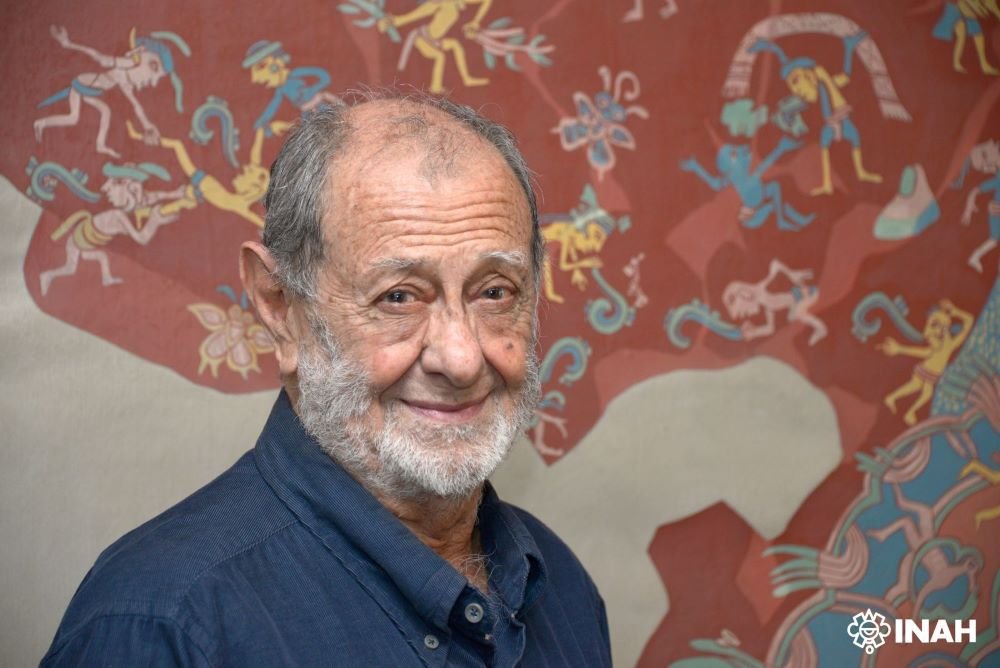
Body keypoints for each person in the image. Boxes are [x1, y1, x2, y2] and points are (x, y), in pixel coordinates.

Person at [41, 90, 612, 666]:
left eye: (494, 291)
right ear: (279, 305)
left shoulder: (562, 587)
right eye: (399, 297)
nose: (462, 359)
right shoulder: (162, 624)